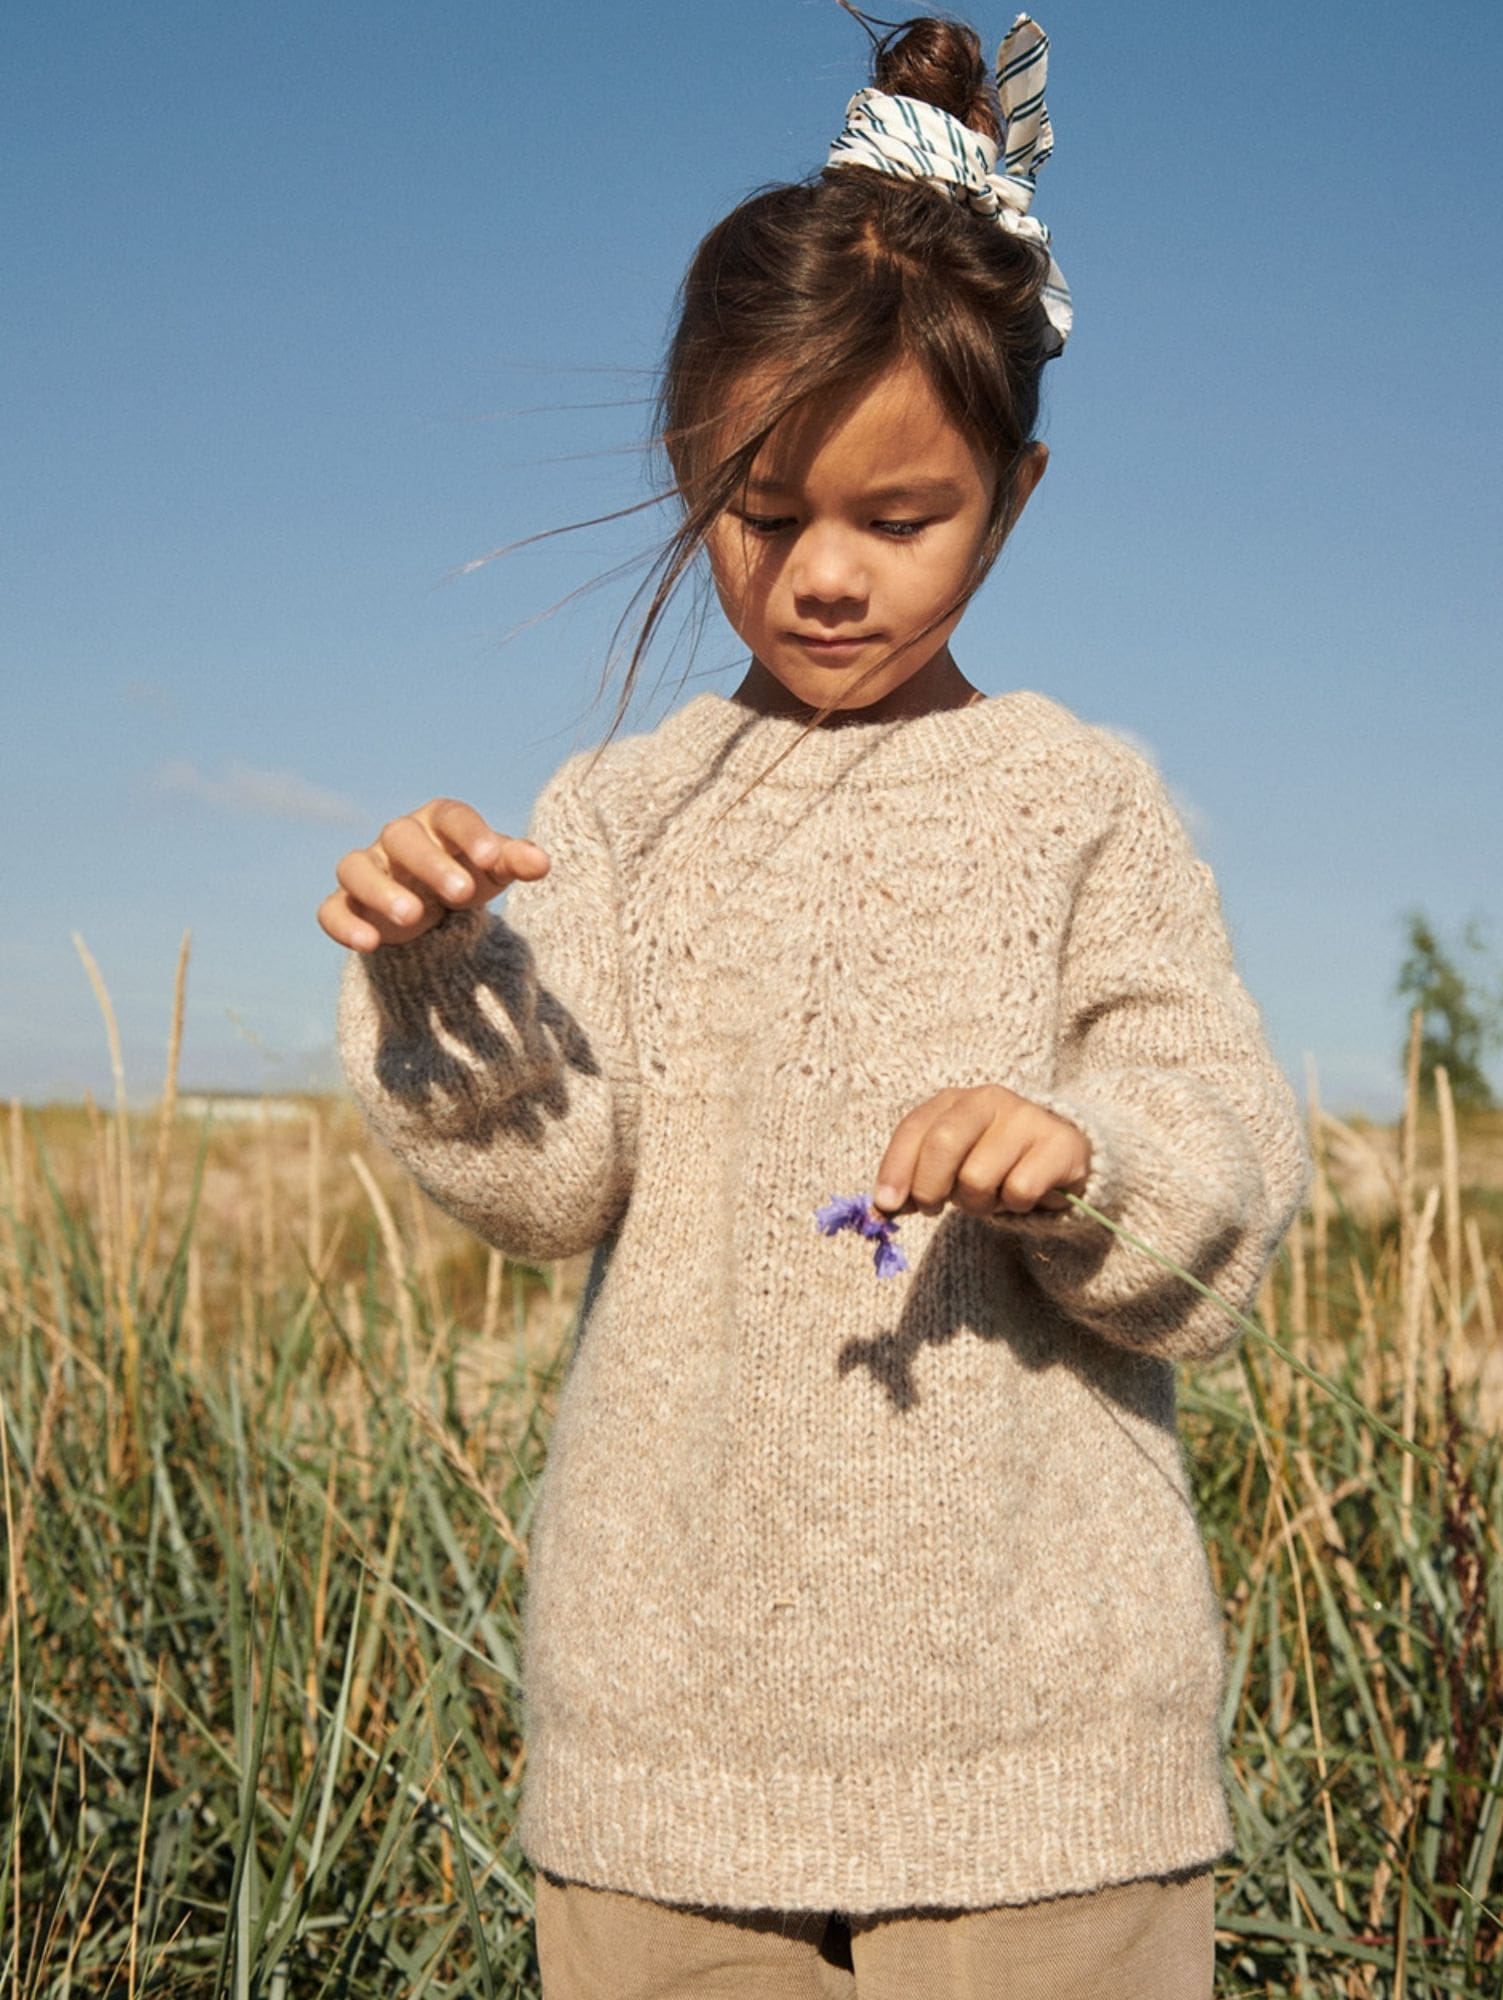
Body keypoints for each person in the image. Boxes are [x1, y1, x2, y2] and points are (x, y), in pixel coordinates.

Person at [321, 10, 1309, 1995]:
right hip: (665, 1776)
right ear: (688, 474)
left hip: (1046, 1786)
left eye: (900, 517)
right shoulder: (619, 808)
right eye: (761, 516)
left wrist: (1077, 1162)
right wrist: (437, 974)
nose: (823, 576)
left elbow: (1211, 1186)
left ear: (1011, 498)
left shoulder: (1075, 796)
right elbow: (549, 1185)